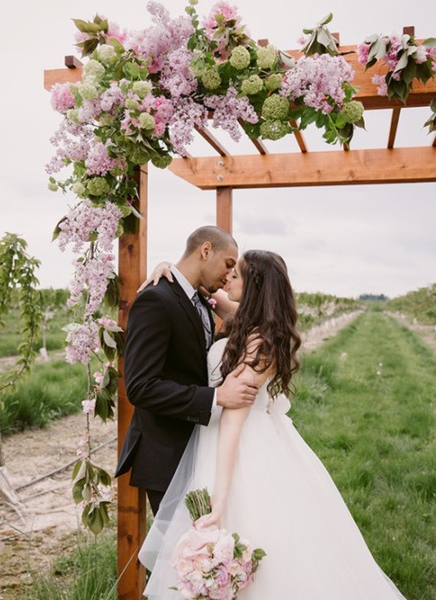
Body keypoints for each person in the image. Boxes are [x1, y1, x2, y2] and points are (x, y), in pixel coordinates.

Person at [138, 249, 407, 599]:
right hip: (231, 437)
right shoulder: (256, 324)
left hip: (238, 447)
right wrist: (166, 268)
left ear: (253, 286)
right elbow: (204, 292)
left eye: (237, 275)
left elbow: (234, 421)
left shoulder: (259, 342)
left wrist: (219, 500)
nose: (228, 279)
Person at [115, 226, 258, 515]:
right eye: (229, 264)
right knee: (180, 554)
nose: (229, 275)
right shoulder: (156, 299)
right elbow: (141, 386)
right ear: (205, 250)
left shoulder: (202, 300)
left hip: (197, 449)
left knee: (201, 548)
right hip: (166, 455)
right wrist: (216, 397)